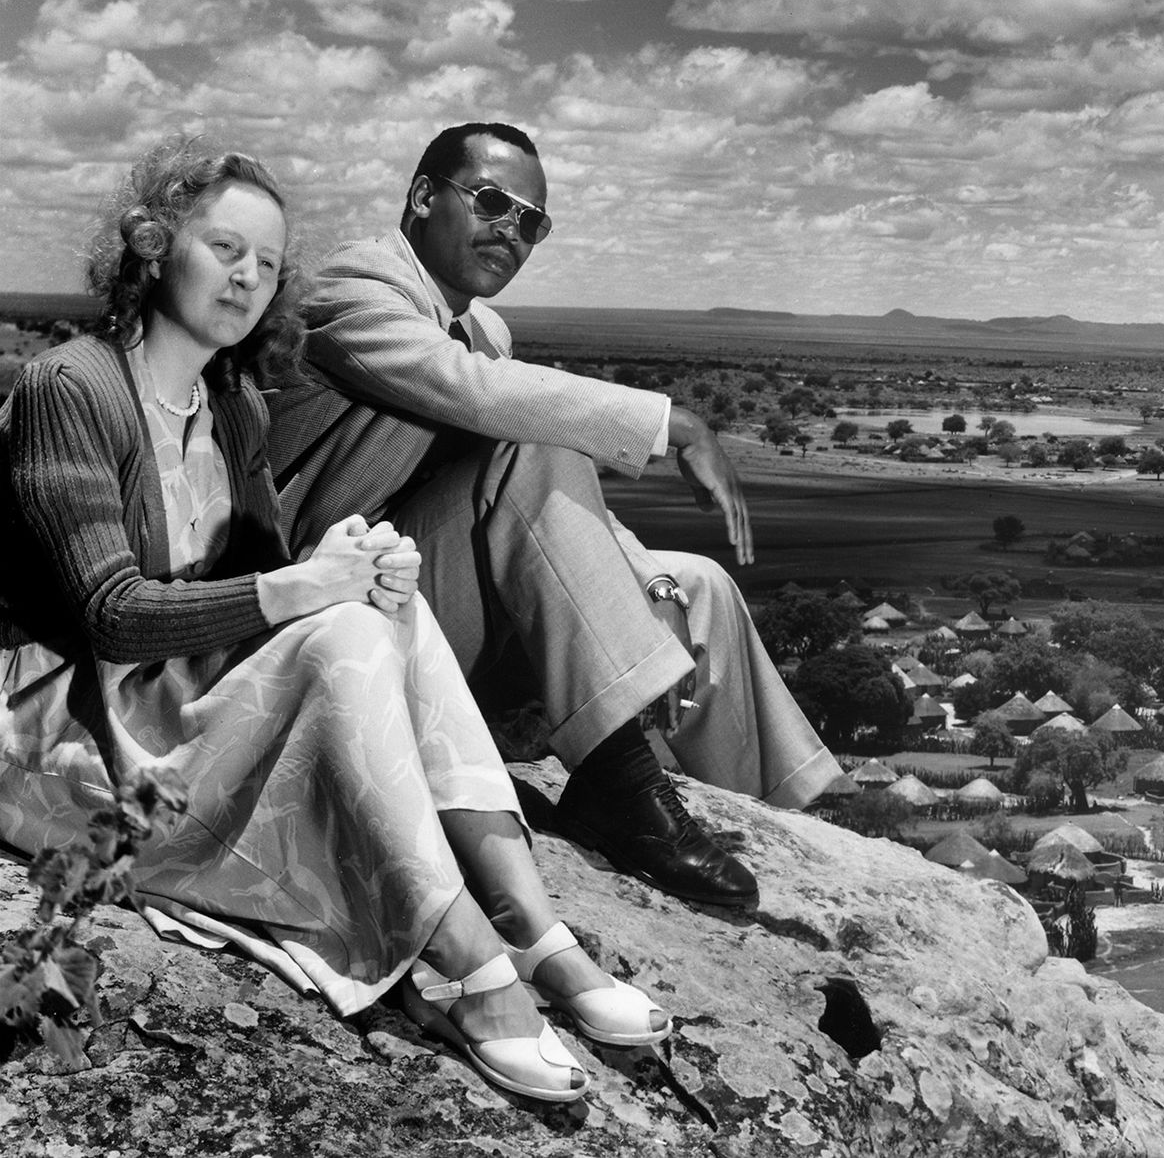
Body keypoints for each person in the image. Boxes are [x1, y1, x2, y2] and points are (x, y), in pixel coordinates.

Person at [0, 141, 671, 1104]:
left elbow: (259, 574)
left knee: (384, 614)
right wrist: (302, 592)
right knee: (344, 622)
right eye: (223, 246)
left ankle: (536, 930)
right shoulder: (72, 387)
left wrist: (357, 575)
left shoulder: (226, 400)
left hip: (161, 695)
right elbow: (111, 614)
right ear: (153, 245)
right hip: (56, 724)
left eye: (266, 265)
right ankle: (465, 959)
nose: (246, 278)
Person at [266, 123, 842, 910]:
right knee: (534, 440)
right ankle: (618, 783)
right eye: (493, 201)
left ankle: (787, 826)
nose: (511, 228)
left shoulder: (485, 327)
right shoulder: (355, 288)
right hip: (336, 617)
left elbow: (532, 514)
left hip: (431, 602)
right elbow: (473, 395)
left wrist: (644, 594)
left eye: (531, 221)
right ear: (424, 196)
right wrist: (675, 423)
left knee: (695, 585)